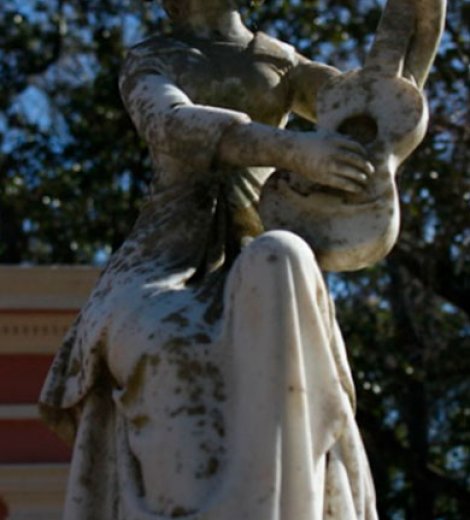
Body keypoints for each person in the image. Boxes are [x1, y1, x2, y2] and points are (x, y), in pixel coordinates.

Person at [40, 1, 379, 518]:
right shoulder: (151, 59)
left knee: (283, 256)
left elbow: (364, 110)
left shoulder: (279, 60)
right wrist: (291, 150)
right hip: (164, 260)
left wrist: (405, 63)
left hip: (257, 248)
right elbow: (172, 122)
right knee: (164, 345)